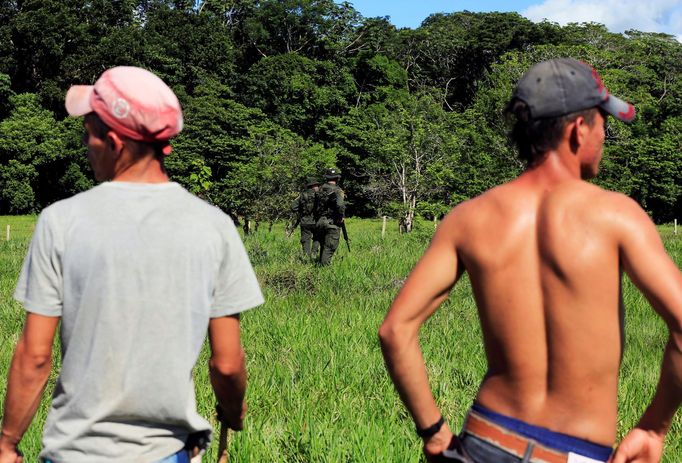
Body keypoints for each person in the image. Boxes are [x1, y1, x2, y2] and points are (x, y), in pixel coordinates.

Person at [379, 58, 681, 463]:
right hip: (574, 452)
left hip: (485, 440)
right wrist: (652, 427)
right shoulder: (616, 215)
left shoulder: (469, 218)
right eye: (602, 123)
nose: (605, 135)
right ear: (578, 130)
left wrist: (434, 432)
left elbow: (396, 330)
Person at [0, 66, 264, 463]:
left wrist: (7, 442)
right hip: (166, 452)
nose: (86, 145)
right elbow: (227, 363)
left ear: (113, 141)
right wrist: (234, 412)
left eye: (88, 132)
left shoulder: (61, 221)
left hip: (75, 452)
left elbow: (35, 357)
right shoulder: (214, 227)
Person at [315, 168, 346, 265]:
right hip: (332, 222)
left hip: (319, 222)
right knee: (329, 248)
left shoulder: (319, 190)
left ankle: (319, 267)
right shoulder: (338, 190)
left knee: (323, 246)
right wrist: (340, 217)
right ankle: (324, 271)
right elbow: (340, 205)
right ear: (337, 178)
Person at [290, 177, 321, 259]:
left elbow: (293, 207)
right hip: (317, 221)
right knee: (317, 238)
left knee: (305, 240)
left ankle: (306, 257)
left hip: (305, 221)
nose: (318, 186)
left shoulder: (302, 195)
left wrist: (301, 210)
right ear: (314, 185)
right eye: (317, 185)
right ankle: (314, 254)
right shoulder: (320, 195)